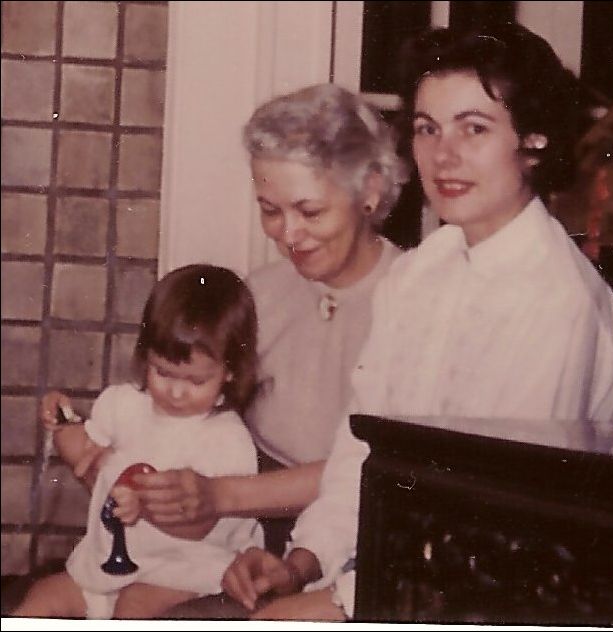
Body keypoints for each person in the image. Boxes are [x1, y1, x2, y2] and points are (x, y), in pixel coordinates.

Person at [220, 22, 613, 621]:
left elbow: (498, 529)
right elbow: (363, 450)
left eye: (475, 128)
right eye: (427, 129)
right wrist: (302, 560)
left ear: (534, 140)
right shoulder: (425, 271)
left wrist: (337, 602)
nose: (444, 156)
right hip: (405, 578)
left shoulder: (557, 302)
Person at [37, 84, 408, 615]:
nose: (289, 234)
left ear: (370, 190)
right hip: (222, 533)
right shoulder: (257, 294)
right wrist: (105, 450)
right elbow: (183, 405)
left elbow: (366, 469)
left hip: (338, 543)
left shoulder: (412, 302)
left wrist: (219, 496)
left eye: (309, 210)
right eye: (270, 210)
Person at [14, 264, 263, 619]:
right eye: (162, 372)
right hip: (106, 566)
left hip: (186, 569)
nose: (176, 392)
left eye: (195, 381)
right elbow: (85, 455)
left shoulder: (227, 440)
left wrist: (147, 506)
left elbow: (199, 526)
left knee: (133, 609)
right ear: (146, 354)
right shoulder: (124, 403)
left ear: (230, 371)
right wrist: (63, 422)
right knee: (43, 596)